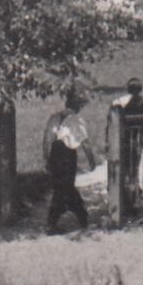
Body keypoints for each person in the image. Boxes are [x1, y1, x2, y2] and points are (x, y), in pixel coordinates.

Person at [43, 91, 96, 233]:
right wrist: (91, 160)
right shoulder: (76, 120)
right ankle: (77, 216)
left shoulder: (55, 117)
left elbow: (47, 139)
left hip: (55, 152)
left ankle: (69, 216)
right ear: (77, 106)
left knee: (61, 186)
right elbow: (85, 143)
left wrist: (46, 158)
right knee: (65, 186)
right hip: (67, 155)